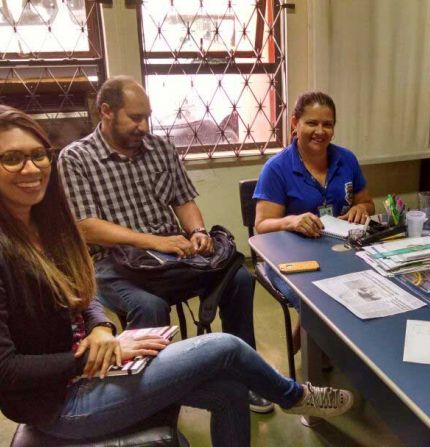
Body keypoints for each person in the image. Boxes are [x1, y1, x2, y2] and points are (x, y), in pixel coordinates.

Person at [0, 105, 353, 447]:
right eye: (11, 159)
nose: (31, 169)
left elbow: (82, 294)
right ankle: (295, 397)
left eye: (37, 156)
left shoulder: (45, 227)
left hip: (93, 369)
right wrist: (88, 359)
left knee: (230, 389)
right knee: (223, 346)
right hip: (62, 403)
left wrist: (101, 329)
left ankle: (278, 393)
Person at [57, 76, 271, 412]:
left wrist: (198, 231)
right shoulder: (76, 158)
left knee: (239, 279)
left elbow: (183, 200)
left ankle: (245, 379)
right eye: (135, 118)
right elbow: (87, 228)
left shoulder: (160, 149)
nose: (144, 126)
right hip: (111, 265)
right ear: (106, 112)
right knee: (149, 306)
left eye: (147, 117)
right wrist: (157, 241)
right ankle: (148, 398)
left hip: (170, 256)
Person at [252, 92, 375, 348]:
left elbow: (368, 203)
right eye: (312, 123)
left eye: (327, 124)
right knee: (321, 300)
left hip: (342, 251)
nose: (320, 131)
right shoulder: (276, 168)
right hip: (293, 259)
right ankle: (316, 344)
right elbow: (261, 227)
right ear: (295, 123)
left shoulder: (347, 159)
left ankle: (326, 339)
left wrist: (361, 209)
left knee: (372, 286)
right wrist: (291, 221)